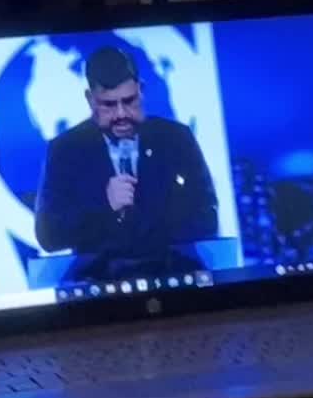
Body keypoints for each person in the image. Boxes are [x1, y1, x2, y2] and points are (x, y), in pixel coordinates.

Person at [34, 46, 218, 280]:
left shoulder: (176, 139)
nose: (121, 114)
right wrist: (105, 206)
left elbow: (208, 217)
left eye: (129, 101)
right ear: (90, 99)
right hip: (99, 286)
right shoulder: (65, 150)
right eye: (108, 104)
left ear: (141, 90)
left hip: (173, 276)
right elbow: (48, 236)